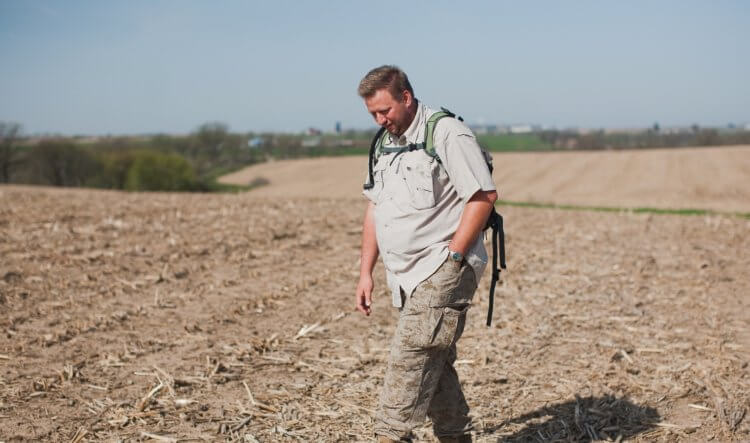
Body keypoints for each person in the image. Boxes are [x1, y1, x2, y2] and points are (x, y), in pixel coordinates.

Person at [355, 65, 498, 443]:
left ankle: (389, 435)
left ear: (406, 97)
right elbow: (375, 207)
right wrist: (365, 272)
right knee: (435, 365)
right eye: (372, 114)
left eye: (384, 110)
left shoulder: (447, 132)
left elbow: (482, 197)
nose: (380, 120)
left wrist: (453, 258)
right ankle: (455, 437)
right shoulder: (384, 143)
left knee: (411, 359)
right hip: (404, 277)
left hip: (442, 267)